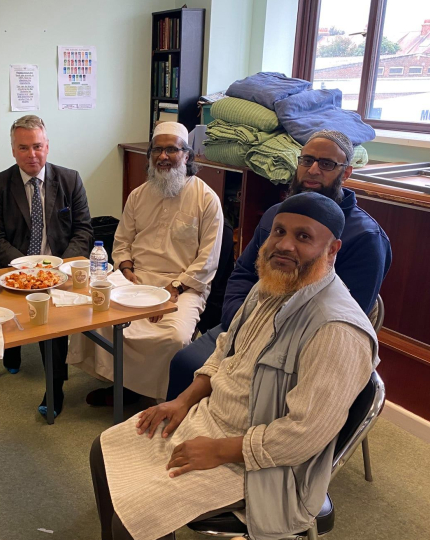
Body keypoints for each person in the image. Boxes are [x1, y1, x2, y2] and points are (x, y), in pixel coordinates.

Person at [89, 192, 379, 540]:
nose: (284, 245)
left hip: (266, 467)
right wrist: (183, 401)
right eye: (279, 232)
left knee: (137, 519)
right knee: (102, 450)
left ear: (332, 250)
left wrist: (219, 450)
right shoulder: (270, 286)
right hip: (211, 419)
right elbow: (226, 350)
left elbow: (303, 436)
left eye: (303, 237)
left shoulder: (336, 330)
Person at [166, 129, 391, 401]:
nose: (313, 169)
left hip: (300, 346)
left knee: (248, 392)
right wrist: (243, 322)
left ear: (346, 173)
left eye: (327, 164)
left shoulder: (366, 238)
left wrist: (268, 335)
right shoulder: (277, 216)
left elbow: (345, 317)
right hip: (245, 324)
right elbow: (244, 273)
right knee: (185, 363)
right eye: (306, 160)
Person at [68, 122, 224, 405]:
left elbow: (208, 260)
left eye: (171, 150)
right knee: (92, 315)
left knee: (173, 337)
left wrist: (173, 288)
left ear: (186, 156)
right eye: (157, 150)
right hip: (136, 279)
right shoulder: (138, 195)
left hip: (183, 286)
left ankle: (162, 397)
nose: (163, 157)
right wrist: (126, 270)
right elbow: (123, 241)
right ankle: (122, 386)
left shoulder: (206, 200)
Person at [0, 115, 93, 418]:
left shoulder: (70, 179)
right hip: (15, 271)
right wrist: (26, 270)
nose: (32, 155)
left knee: (52, 323)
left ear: (47, 146)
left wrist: (62, 267)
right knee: (14, 314)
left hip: (60, 271)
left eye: (38, 147)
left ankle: (54, 388)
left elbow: (83, 230)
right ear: (13, 150)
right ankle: (12, 349)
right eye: (24, 148)